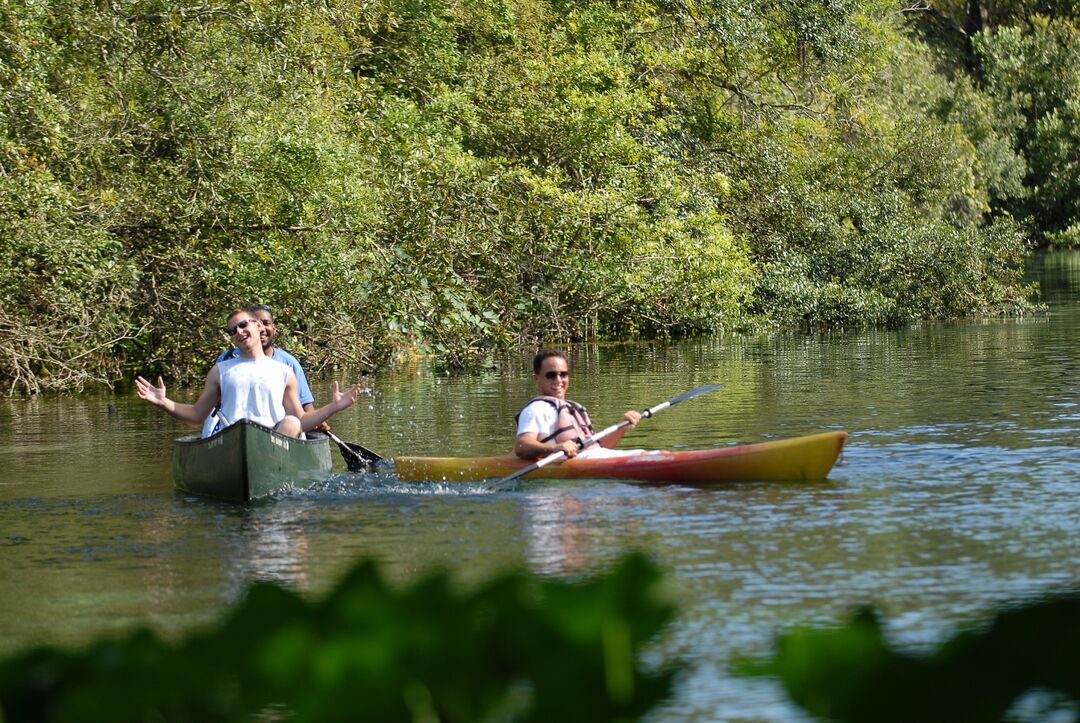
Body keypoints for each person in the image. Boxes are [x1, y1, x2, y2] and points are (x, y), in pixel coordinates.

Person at [136, 309, 361, 438]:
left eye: (243, 325)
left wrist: (334, 407)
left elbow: (302, 420)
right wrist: (163, 402)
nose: (239, 332)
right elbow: (197, 416)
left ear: (257, 326)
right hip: (233, 442)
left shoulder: (285, 371)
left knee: (292, 423)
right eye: (232, 331)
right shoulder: (220, 371)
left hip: (274, 444)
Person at [514, 350, 641, 460]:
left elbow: (599, 447)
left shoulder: (575, 408)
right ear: (537, 378)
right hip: (568, 465)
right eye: (551, 375)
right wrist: (556, 448)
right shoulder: (536, 409)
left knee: (641, 453)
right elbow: (521, 447)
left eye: (563, 374)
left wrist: (622, 426)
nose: (558, 380)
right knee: (642, 457)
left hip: (594, 458)